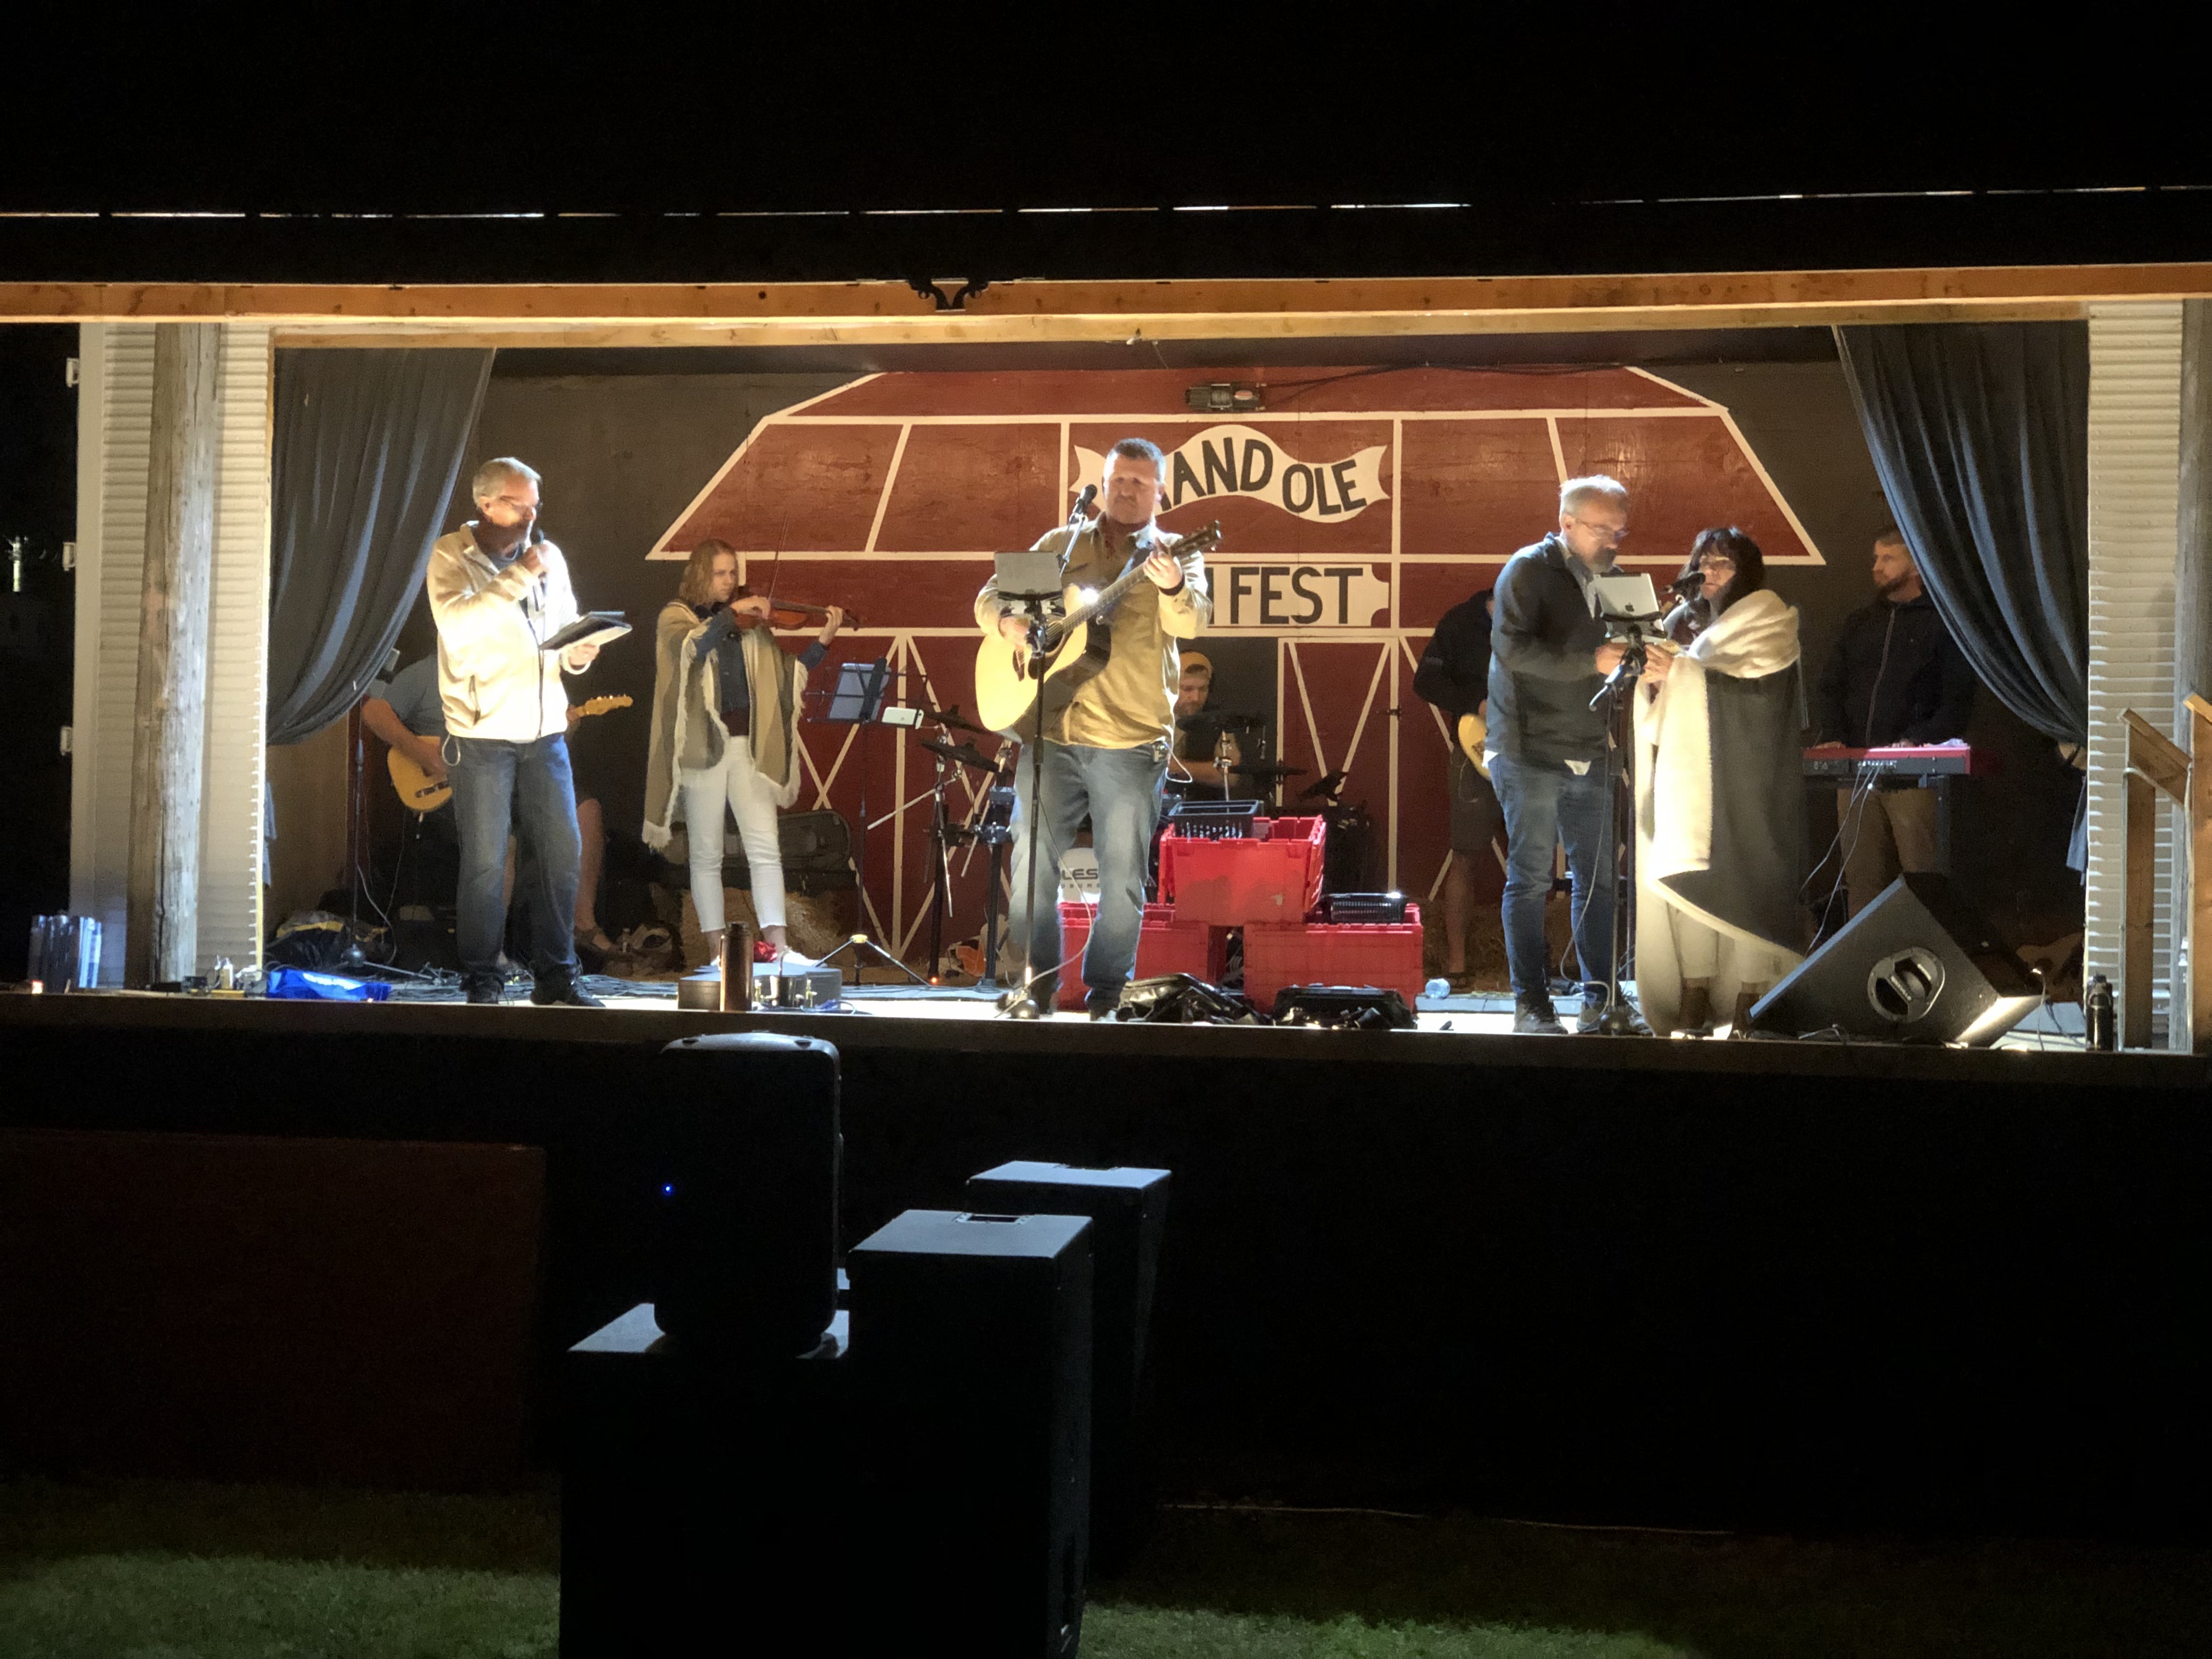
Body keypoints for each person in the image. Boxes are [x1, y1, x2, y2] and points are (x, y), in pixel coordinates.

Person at [977, 437, 1211, 1018]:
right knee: (1030, 865)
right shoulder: (1064, 543)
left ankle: (1107, 993)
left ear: (1160, 491)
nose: (1126, 489)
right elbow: (989, 599)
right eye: (1117, 479)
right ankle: (1035, 987)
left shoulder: (1175, 551)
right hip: (1050, 730)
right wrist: (1009, 624)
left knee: (1122, 881)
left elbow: (1195, 619)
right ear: (1102, 483)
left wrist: (1172, 586)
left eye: (1139, 481)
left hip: (1128, 740)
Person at [1487, 475, 1663, 1035]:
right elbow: (1512, 650)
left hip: (1593, 746)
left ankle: (1603, 1000)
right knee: (1531, 879)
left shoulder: (1619, 581)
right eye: (1602, 529)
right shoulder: (1527, 569)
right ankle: (1531, 1007)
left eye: (1620, 530)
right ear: (1566, 523)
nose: (1613, 540)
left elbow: (1626, 656)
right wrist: (1595, 660)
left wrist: (1649, 661)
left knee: (1600, 882)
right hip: (1529, 746)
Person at [426, 458, 605, 1007]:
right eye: (520, 505)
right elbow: (458, 626)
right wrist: (521, 574)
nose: (532, 516)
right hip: (480, 736)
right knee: (485, 861)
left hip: (546, 732)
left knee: (561, 853)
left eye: (535, 506)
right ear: (487, 505)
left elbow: (564, 626)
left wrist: (580, 653)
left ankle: (557, 976)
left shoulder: (549, 557)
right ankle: (483, 977)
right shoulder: (449, 557)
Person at [1633, 528, 1808, 1036]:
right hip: (1692, 782)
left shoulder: (1767, 616)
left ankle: (1751, 1001)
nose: (1709, 575)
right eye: (1703, 564)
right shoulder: (1684, 623)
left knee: (1751, 882)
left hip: (1752, 780)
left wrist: (1683, 674)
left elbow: (1755, 697)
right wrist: (1658, 678)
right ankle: (1694, 992)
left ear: (1746, 572)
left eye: (1723, 566)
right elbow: (1666, 699)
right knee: (1692, 879)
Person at [643, 537, 844, 967]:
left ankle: (780, 949)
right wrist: (733, 614)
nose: (730, 580)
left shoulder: (749, 625)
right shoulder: (676, 617)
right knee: (706, 854)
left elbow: (788, 674)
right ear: (701, 574)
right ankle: (718, 954)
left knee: (766, 848)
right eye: (721, 573)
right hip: (702, 751)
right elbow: (690, 651)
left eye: (733, 573)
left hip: (747, 748)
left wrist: (823, 642)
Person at [1810, 527, 1978, 915]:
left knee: (1924, 881)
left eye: (1888, 558)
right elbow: (1830, 685)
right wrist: (1834, 735)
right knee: (1861, 884)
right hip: (1854, 777)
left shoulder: (1943, 625)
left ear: (1916, 563)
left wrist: (1915, 741)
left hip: (1914, 777)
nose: (1877, 568)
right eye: (1875, 558)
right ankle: (1863, 965)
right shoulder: (1859, 623)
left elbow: (1957, 702)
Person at [1413, 586, 1503, 989]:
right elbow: (1426, 681)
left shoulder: (1540, 618)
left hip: (1533, 749)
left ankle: (1530, 964)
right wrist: (1474, 702)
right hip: (1475, 748)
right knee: (1465, 854)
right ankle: (1457, 964)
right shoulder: (1460, 621)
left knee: (1532, 860)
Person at [1167, 652, 1241, 795]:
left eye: (1203, 689)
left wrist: (1173, 768)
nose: (1196, 698)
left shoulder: (1217, 720)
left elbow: (1231, 776)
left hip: (1198, 806)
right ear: (1169, 684)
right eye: (1187, 689)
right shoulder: (1149, 717)